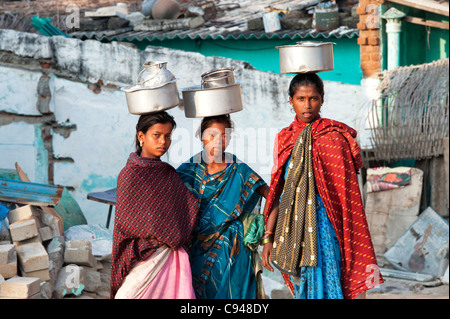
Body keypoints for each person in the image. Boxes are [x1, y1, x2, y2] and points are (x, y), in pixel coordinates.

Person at [261, 73, 383, 299]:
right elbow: (279, 191)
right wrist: (268, 237)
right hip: (295, 232)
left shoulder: (335, 138)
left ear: (322, 100)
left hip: (329, 229)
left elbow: (348, 196)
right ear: (291, 101)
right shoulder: (285, 138)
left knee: (333, 285)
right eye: (300, 99)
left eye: (313, 98)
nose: (307, 105)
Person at [177, 114, 269, 299]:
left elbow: (272, 196)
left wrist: (265, 233)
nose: (218, 142)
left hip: (230, 252)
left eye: (224, 136)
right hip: (193, 249)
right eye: (212, 135)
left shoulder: (239, 170)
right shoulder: (187, 170)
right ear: (201, 135)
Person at [111, 111, 199, 299]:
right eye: (157, 135)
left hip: (171, 256)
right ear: (141, 136)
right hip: (144, 257)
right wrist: (166, 233)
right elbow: (127, 221)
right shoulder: (129, 175)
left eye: (167, 136)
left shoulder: (169, 175)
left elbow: (187, 208)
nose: (163, 142)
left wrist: (174, 235)